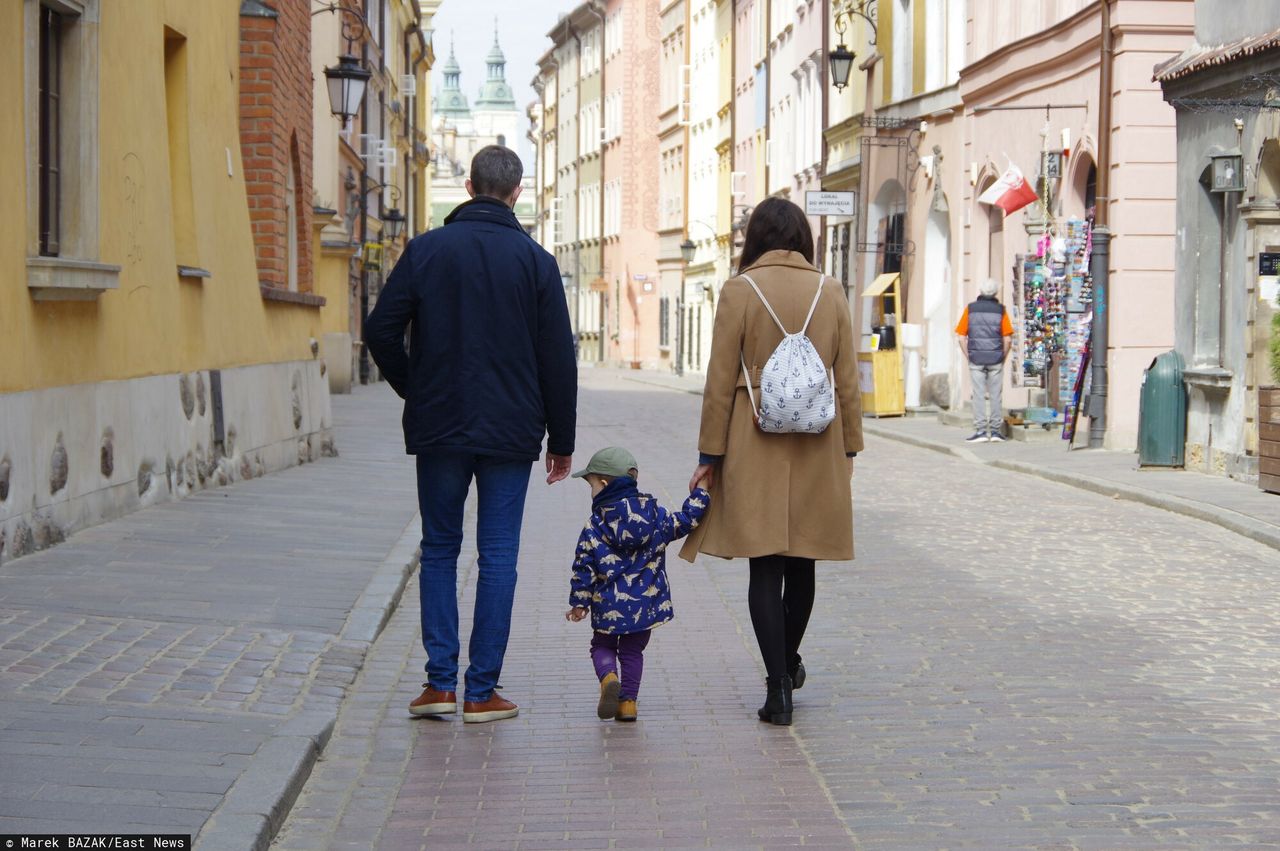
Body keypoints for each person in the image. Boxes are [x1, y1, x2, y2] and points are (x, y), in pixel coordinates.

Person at [365, 145, 577, 724]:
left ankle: (438, 686)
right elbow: (558, 357)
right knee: (498, 555)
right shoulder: (536, 262)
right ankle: (481, 691)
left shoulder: (426, 251)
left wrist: (417, 387)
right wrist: (562, 438)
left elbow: (380, 329)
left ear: (467, 185)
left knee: (439, 548)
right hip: (511, 431)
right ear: (517, 192)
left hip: (440, 426)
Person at [680, 197, 863, 726]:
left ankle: (778, 684)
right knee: (803, 558)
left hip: (752, 433)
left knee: (766, 563)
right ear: (804, 238)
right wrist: (849, 447)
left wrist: (708, 456)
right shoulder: (830, 290)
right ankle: (788, 662)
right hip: (818, 438)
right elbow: (846, 378)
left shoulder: (739, 291)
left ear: (755, 238)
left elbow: (718, 380)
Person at [565, 447, 709, 722]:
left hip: (608, 605)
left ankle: (608, 677)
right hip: (644, 607)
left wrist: (579, 603)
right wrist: (702, 492)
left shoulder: (595, 524)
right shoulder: (655, 515)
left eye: (592, 485)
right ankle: (628, 703)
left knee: (602, 646)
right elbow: (686, 520)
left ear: (605, 485)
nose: (592, 492)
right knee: (632, 651)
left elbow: (583, 566)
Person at [955, 278, 1014, 443]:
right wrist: (1003, 356)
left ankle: (981, 431)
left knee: (979, 394)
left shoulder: (971, 309)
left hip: (976, 358)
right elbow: (1008, 339)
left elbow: (960, 337)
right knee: (996, 395)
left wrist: (969, 355)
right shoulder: (1001, 310)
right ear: (996, 292)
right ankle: (995, 431)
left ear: (980, 292)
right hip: (995, 358)